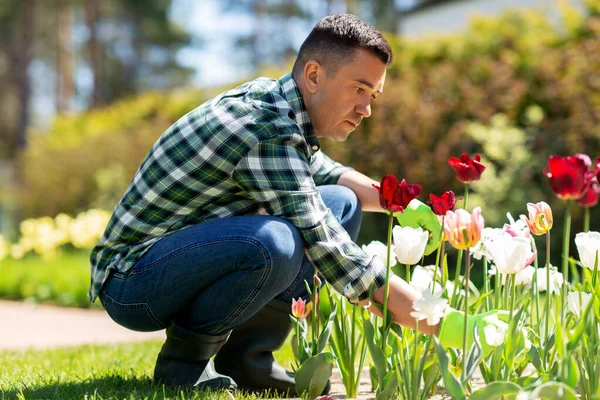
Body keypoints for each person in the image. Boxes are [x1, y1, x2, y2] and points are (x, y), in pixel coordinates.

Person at [89, 13, 515, 395]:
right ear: (314, 74)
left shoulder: (279, 102)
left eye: (374, 95)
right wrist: (442, 322)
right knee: (277, 241)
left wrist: (408, 207)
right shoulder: (264, 129)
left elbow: (322, 171)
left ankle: (246, 361)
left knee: (342, 203)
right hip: (132, 282)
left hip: (174, 260)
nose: (367, 108)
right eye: (359, 88)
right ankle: (183, 367)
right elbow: (332, 250)